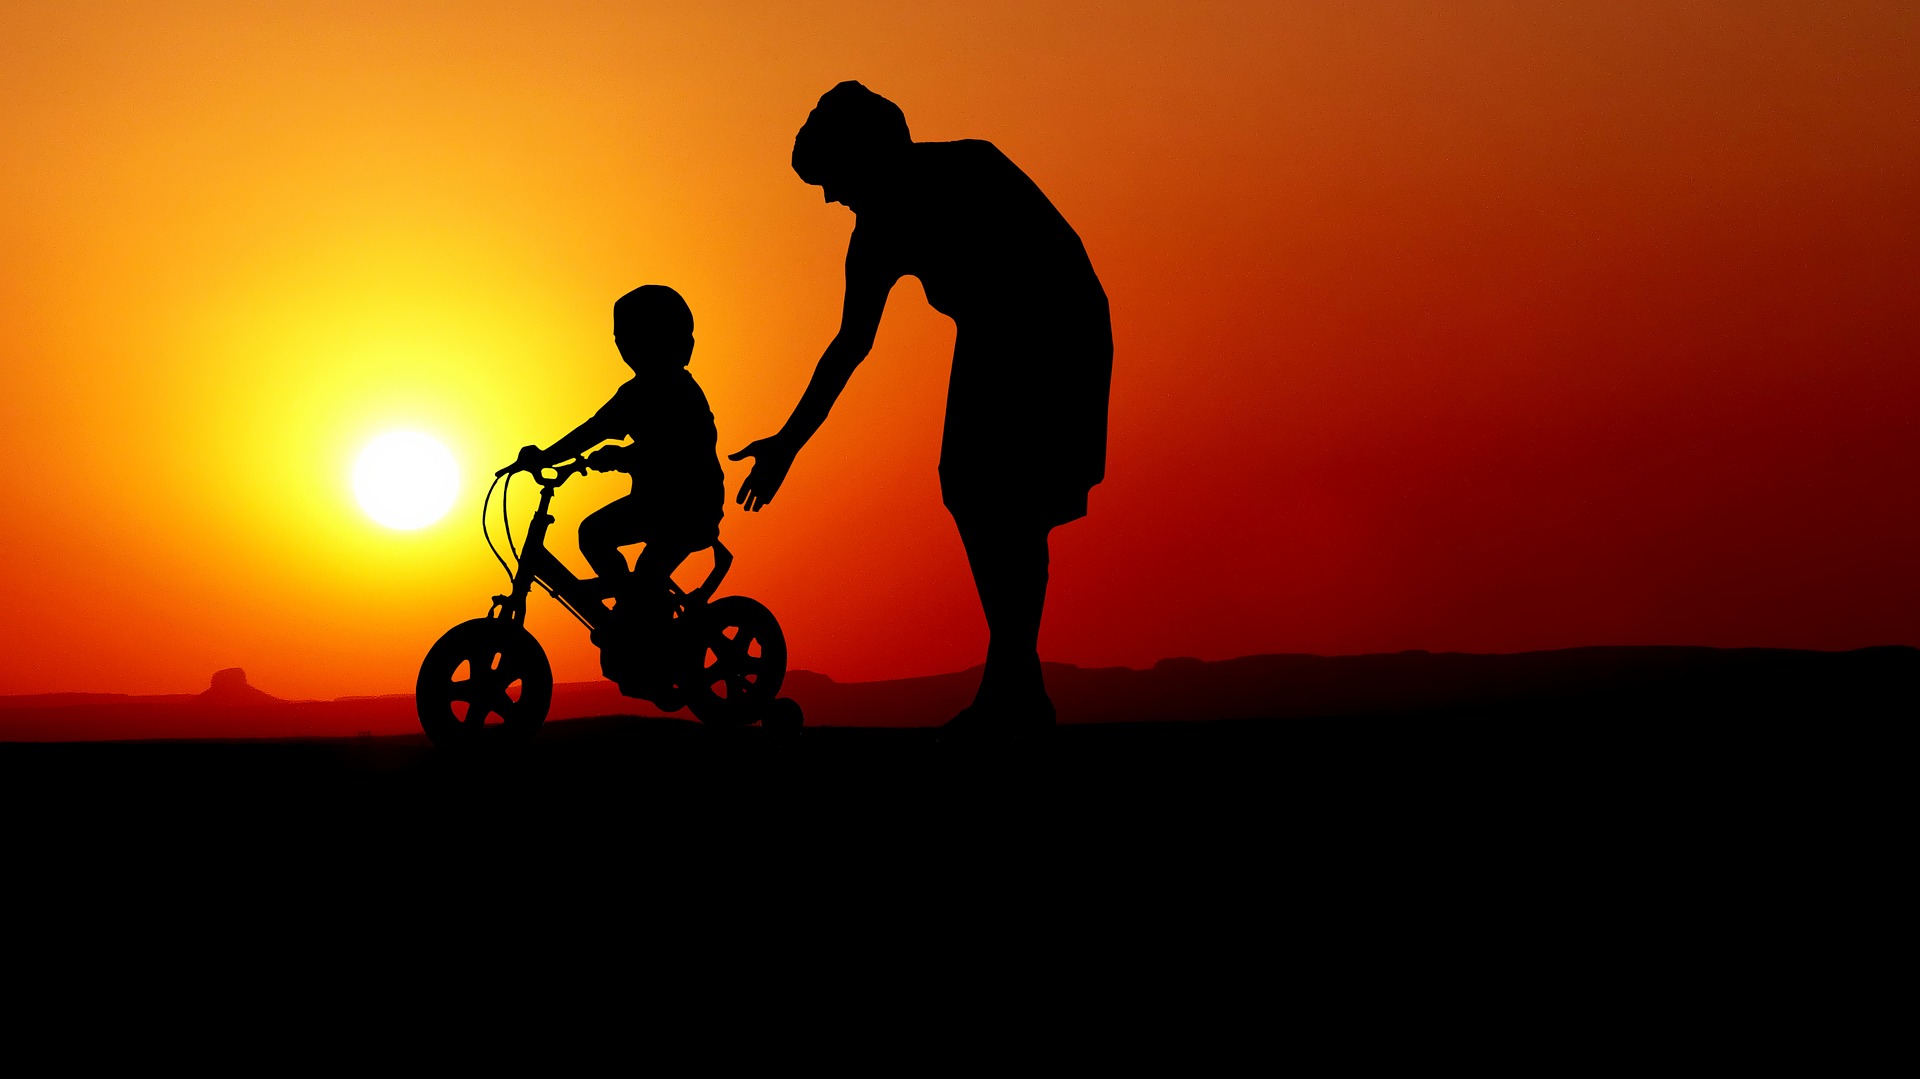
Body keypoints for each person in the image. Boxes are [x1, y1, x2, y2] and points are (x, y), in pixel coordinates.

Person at [731, 81, 1113, 737]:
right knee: (977, 492)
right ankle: (1017, 686)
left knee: (1000, 498)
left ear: (866, 155)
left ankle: (1014, 689)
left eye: (832, 177)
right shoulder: (876, 235)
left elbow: (1049, 262)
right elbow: (850, 344)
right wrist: (788, 442)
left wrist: (790, 442)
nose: (829, 195)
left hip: (1054, 326)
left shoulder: (971, 168)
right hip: (997, 335)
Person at [513, 285, 726, 623]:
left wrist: (623, 457)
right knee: (593, 534)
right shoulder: (633, 394)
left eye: (635, 336)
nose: (626, 347)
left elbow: (679, 452)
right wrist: (545, 457)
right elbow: (592, 430)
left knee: (646, 573)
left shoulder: (681, 392)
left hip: (690, 507)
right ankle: (630, 611)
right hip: (651, 504)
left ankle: (643, 626)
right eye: (622, 338)